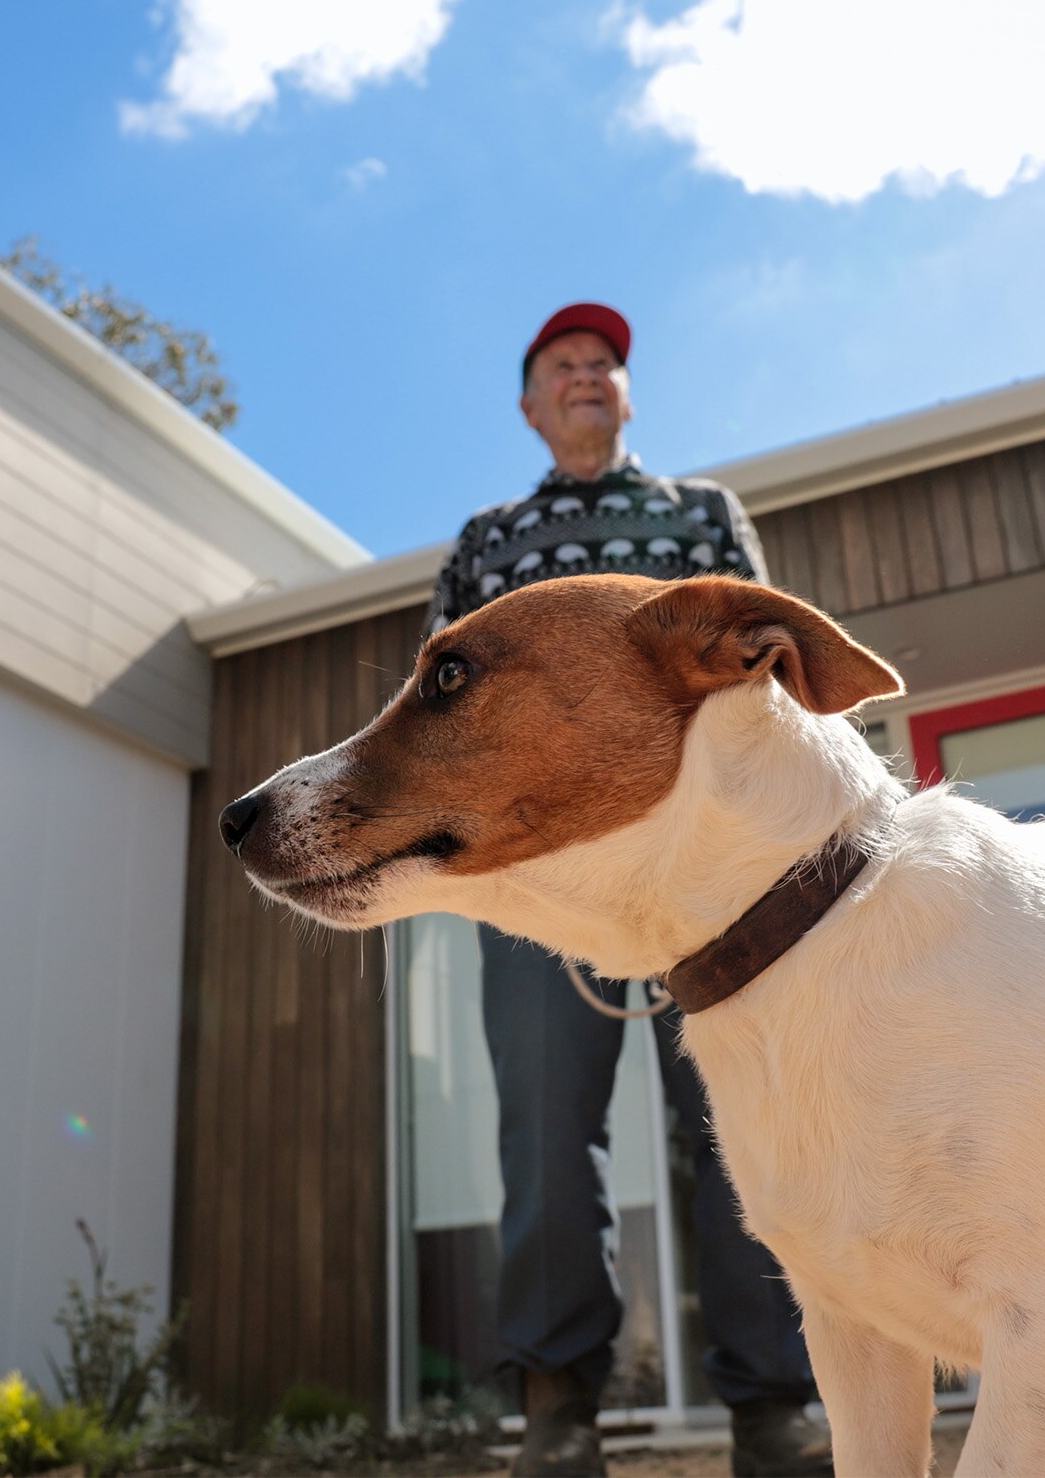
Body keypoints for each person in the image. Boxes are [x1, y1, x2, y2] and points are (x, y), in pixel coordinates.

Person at [425, 304, 834, 1478]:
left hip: (707, 876)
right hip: (539, 881)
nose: (589, 374)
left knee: (739, 1126)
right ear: (531, 404)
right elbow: (445, 707)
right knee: (547, 1135)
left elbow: (761, 674)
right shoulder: (485, 538)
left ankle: (774, 1408)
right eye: (564, 364)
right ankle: (558, 1414)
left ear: (627, 394)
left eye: (605, 362)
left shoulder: (698, 514)